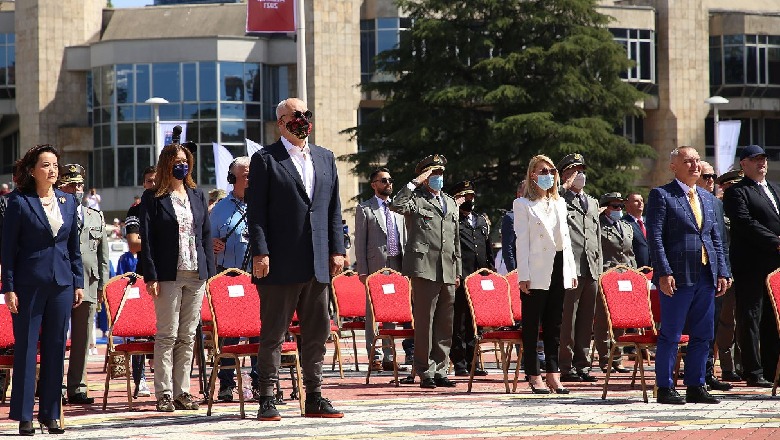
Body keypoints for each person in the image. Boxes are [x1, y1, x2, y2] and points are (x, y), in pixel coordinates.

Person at [247, 98, 346, 420]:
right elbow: (257, 212)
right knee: (274, 333)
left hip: (318, 261)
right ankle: (267, 396)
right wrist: (261, 252)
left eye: (306, 115)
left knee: (317, 332)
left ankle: (314, 395)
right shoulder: (265, 159)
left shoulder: (325, 158)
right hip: (279, 262)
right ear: (280, 122)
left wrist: (338, 250)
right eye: (295, 115)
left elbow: (333, 210)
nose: (302, 120)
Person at [1, 144, 84, 435]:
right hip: (28, 284)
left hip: (62, 284)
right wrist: (9, 287)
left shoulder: (68, 201)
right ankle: (24, 415)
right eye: (46, 165)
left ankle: (50, 413)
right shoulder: (19, 202)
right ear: (32, 170)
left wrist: (78, 282)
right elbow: (8, 250)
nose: (53, 170)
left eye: (55, 165)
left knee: (55, 348)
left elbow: (74, 247)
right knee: (25, 349)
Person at [647, 146, 730, 405]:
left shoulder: (706, 199)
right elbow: (656, 237)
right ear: (674, 166)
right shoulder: (662, 195)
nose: (695, 166)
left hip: (706, 275)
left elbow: (716, 238)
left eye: (697, 161)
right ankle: (665, 387)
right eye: (688, 161)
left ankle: (696, 385)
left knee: (703, 334)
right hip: (677, 276)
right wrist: (664, 271)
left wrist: (723, 271)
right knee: (671, 334)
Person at [140, 141, 216, 412]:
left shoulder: (197, 194)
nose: (181, 165)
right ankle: (164, 393)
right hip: (168, 274)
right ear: (166, 165)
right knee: (167, 335)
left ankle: (183, 391)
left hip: (196, 273)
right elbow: (146, 240)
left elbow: (205, 235)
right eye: (176, 161)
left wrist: (210, 271)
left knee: (187, 336)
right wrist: (151, 275)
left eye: (185, 160)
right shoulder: (153, 198)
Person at [391, 154, 461, 390]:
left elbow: (456, 239)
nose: (438, 178)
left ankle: (441, 369)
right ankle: (424, 370)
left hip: (448, 269)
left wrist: (458, 270)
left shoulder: (450, 202)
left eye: (440, 174)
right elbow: (396, 205)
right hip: (424, 268)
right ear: (424, 176)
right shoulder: (416, 199)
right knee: (425, 322)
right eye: (433, 174)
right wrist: (414, 182)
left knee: (445, 323)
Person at [514, 154, 578, 395]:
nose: (548, 176)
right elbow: (522, 242)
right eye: (542, 172)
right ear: (532, 175)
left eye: (551, 172)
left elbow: (567, 241)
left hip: (559, 264)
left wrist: (570, 270)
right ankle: (533, 373)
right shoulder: (523, 204)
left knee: (555, 324)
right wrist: (523, 274)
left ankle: (553, 373)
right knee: (532, 324)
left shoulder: (559, 203)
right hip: (536, 267)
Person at [723, 145, 780, 388]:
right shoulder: (737, 192)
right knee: (751, 317)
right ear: (743, 164)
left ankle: (771, 369)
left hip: (774, 266)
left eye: (763, 159)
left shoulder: (775, 189)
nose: (761, 164)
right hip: (751, 264)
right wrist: (776, 242)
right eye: (755, 160)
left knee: (772, 318)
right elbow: (745, 223)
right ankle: (753, 371)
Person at [57, 164, 110, 406]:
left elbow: (103, 255)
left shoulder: (94, 215)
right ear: (61, 186)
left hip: (88, 283)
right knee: (56, 337)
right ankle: (53, 384)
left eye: (80, 185)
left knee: (82, 338)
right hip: (59, 282)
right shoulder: (54, 211)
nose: (77, 189)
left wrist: (102, 286)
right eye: (72, 185)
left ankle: (77, 386)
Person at [209, 156, 259, 402]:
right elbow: (204, 242)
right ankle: (226, 384)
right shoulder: (219, 209)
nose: (251, 178)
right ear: (232, 179)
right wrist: (211, 244)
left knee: (259, 333)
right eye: (246, 175)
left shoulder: (263, 203)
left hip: (259, 279)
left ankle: (262, 383)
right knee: (230, 334)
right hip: (229, 279)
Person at [354, 167, 410, 372]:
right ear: (374, 184)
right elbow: (360, 242)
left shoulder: (397, 209)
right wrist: (362, 271)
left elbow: (403, 237)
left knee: (391, 313)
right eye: (384, 180)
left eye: (390, 180)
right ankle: (373, 356)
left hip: (397, 266)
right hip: (375, 267)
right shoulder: (365, 209)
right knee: (373, 313)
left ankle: (389, 357)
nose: (388, 184)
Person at [556, 153, 602, 383]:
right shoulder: (559, 199)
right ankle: (565, 365)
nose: (580, 175)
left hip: (591, 267)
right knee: (568, 319)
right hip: (570, 267)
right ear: (564, 174)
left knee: (586, 319)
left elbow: (596, 237)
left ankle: (583, 365)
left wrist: (600, 269)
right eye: (574, 171)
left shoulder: (592, 202)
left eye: (582, 170)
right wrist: (562, 187)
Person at [448, 180, 493, 377]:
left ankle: (473, 359)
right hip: (462, 276)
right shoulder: (452, 219)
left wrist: (490, 269)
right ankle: (460, 361)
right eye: (465, 196)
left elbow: (487, 247)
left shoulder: (481, 220)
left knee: (477, 322)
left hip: (479, 277)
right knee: (460, 321)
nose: (469, 200)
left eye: (472, 196)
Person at [696, 161, 734, 392]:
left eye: (713, 176)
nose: (711, 180)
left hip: (715, 275)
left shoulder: (716, 204)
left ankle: (708, 372)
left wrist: (725, 272)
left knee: (712, 327)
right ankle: (695, 373)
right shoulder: (686, 201)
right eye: (707, 176)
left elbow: (722, 242)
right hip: (694, 274)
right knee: (695, 328)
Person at [123, 165, 156, 398]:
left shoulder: (173, 203)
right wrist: (164, 242)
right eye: (148, 181)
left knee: (168, 333)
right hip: (145, 276)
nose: (151, 185)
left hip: (171, 276)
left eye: (155, 180)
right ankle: (140, 380)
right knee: (141, 331)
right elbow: (134, 244)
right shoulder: (136, 209)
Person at [592, 192, 634, 374]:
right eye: (614, 206)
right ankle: (604, 359)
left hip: (624, 278)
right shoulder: (597, 227)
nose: (618, 210)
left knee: (620, 320)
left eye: (620, 207)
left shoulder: (626, 227)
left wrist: (633, 275)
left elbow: (630, 254)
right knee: (603, 320)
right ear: (605, 208)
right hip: (606, 276)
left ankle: (617, 358)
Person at [714, 170, 744, 383]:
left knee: (748, 320)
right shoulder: (719, 208)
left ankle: (747, 364)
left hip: (748, 270)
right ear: (724, 186)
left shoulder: (747, 203)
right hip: (728, 270)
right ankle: (728, 366)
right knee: (727, 321)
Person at [501, 180, 525, 272]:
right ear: (519, 194)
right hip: (520, 271)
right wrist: (513, 272)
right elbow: (508, 249)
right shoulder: (511, 218)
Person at [623, 192, 650, 269]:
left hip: (653, 270)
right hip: (635, 269)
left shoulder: (650, 222)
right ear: (627, 204)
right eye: (636, 201)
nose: (640, 203)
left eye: (641, 200)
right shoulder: (623, 223)